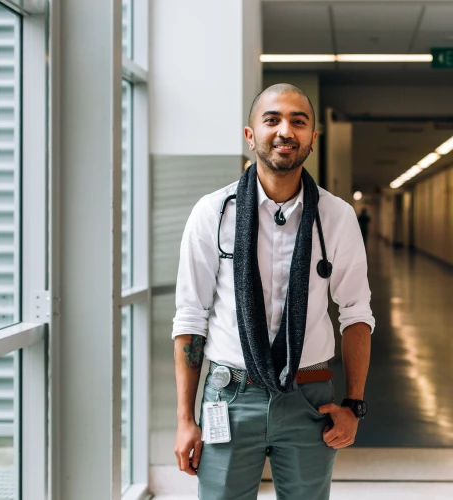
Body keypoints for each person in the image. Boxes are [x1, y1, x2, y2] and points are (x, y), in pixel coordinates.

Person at [171, 83, 375, 500]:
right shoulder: (214, 212)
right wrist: (184, 418)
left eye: (299, 122)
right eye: (272, 120)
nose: (286, 131)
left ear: (313, 140)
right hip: (229, 396)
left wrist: (354, 404)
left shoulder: (335, 217)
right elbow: (191, 317)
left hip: (310, 398)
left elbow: (356, 313)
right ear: (250, 136)